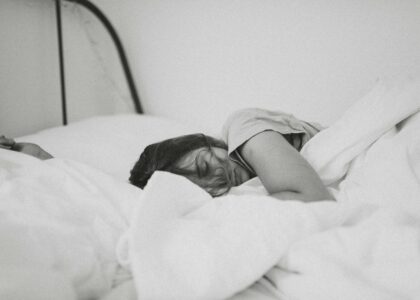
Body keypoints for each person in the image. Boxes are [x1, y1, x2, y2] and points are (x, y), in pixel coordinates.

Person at [129, 108, 333, 202]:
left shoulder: (243, 127)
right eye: (204, 188)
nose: (218, 178)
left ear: (202, 142)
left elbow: (315, 199)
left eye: (204, 167)